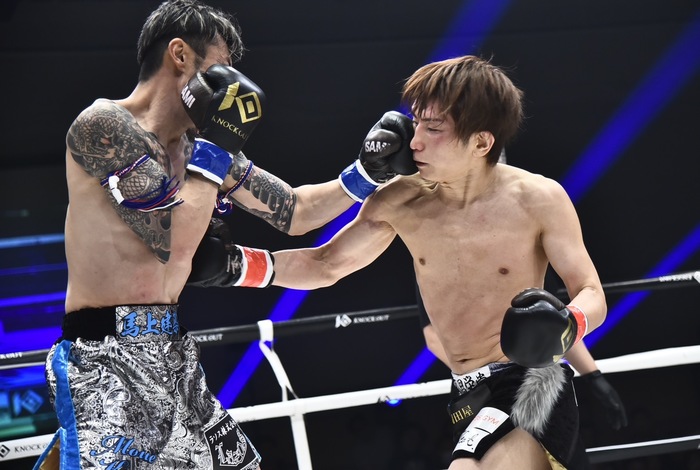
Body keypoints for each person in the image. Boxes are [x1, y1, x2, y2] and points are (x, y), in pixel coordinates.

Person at [34, 1, 414, 469]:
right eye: (221, 67)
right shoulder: (105, 127)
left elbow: (296, 212)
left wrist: (369, 172)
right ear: (180, 55)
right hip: (104, 358)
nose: (232, 84)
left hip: (173, 352)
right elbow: (175, 245)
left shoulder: (200, 149)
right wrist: (215, 149)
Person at [228, 55, 608, 469]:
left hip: (531, 380)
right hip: (465, 393)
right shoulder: (400, 199)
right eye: (416, 123)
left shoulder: (538, 199)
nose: (414, 141)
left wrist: (569, 324)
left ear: (481, 143)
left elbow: (591, 292)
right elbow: (325, 264)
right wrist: (234, 266)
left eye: (434, 128)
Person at [416, 281, 627, 469]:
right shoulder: (432, 255)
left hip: (526, 380)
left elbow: (553, 327)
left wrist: (593, 375)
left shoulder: (528, 253)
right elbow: (432, 336)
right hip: (467, 389)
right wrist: (477, 371)